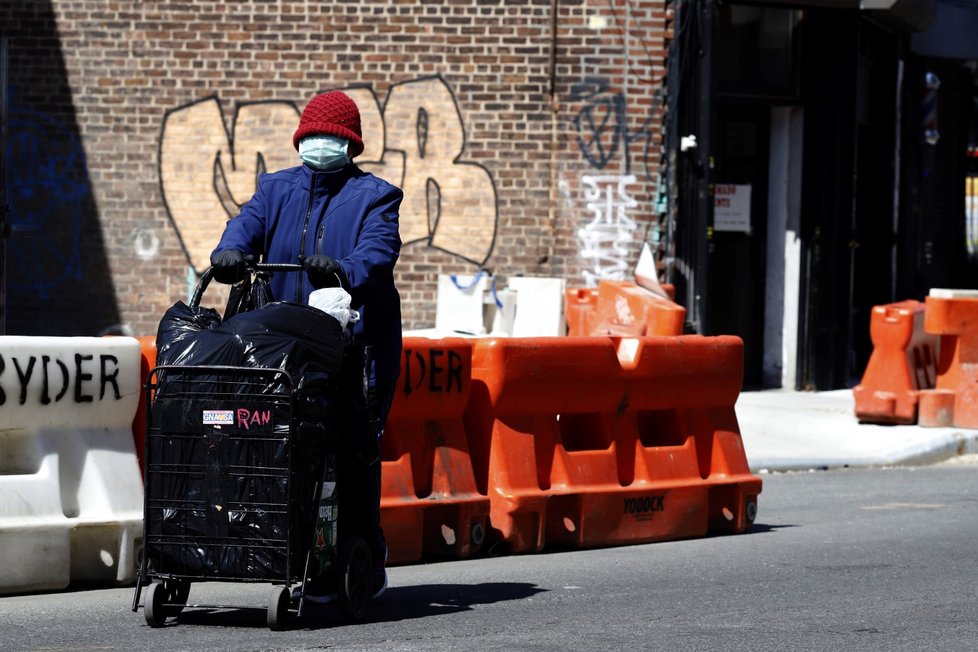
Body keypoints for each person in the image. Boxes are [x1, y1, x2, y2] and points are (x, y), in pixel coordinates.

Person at [209, 90, 402, 601]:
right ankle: (294, 554)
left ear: (351, 144)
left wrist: (342, 270)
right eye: (315, 135)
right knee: (286, 449)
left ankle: (362, 555)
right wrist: (229, 252)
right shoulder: (275, 189)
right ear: (300, 139)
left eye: (335, 137)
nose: (323, 144)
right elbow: (245, 225)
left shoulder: (375, 196)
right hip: (285, 351)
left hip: (353, 348)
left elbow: (377, 254)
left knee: (351, 452)